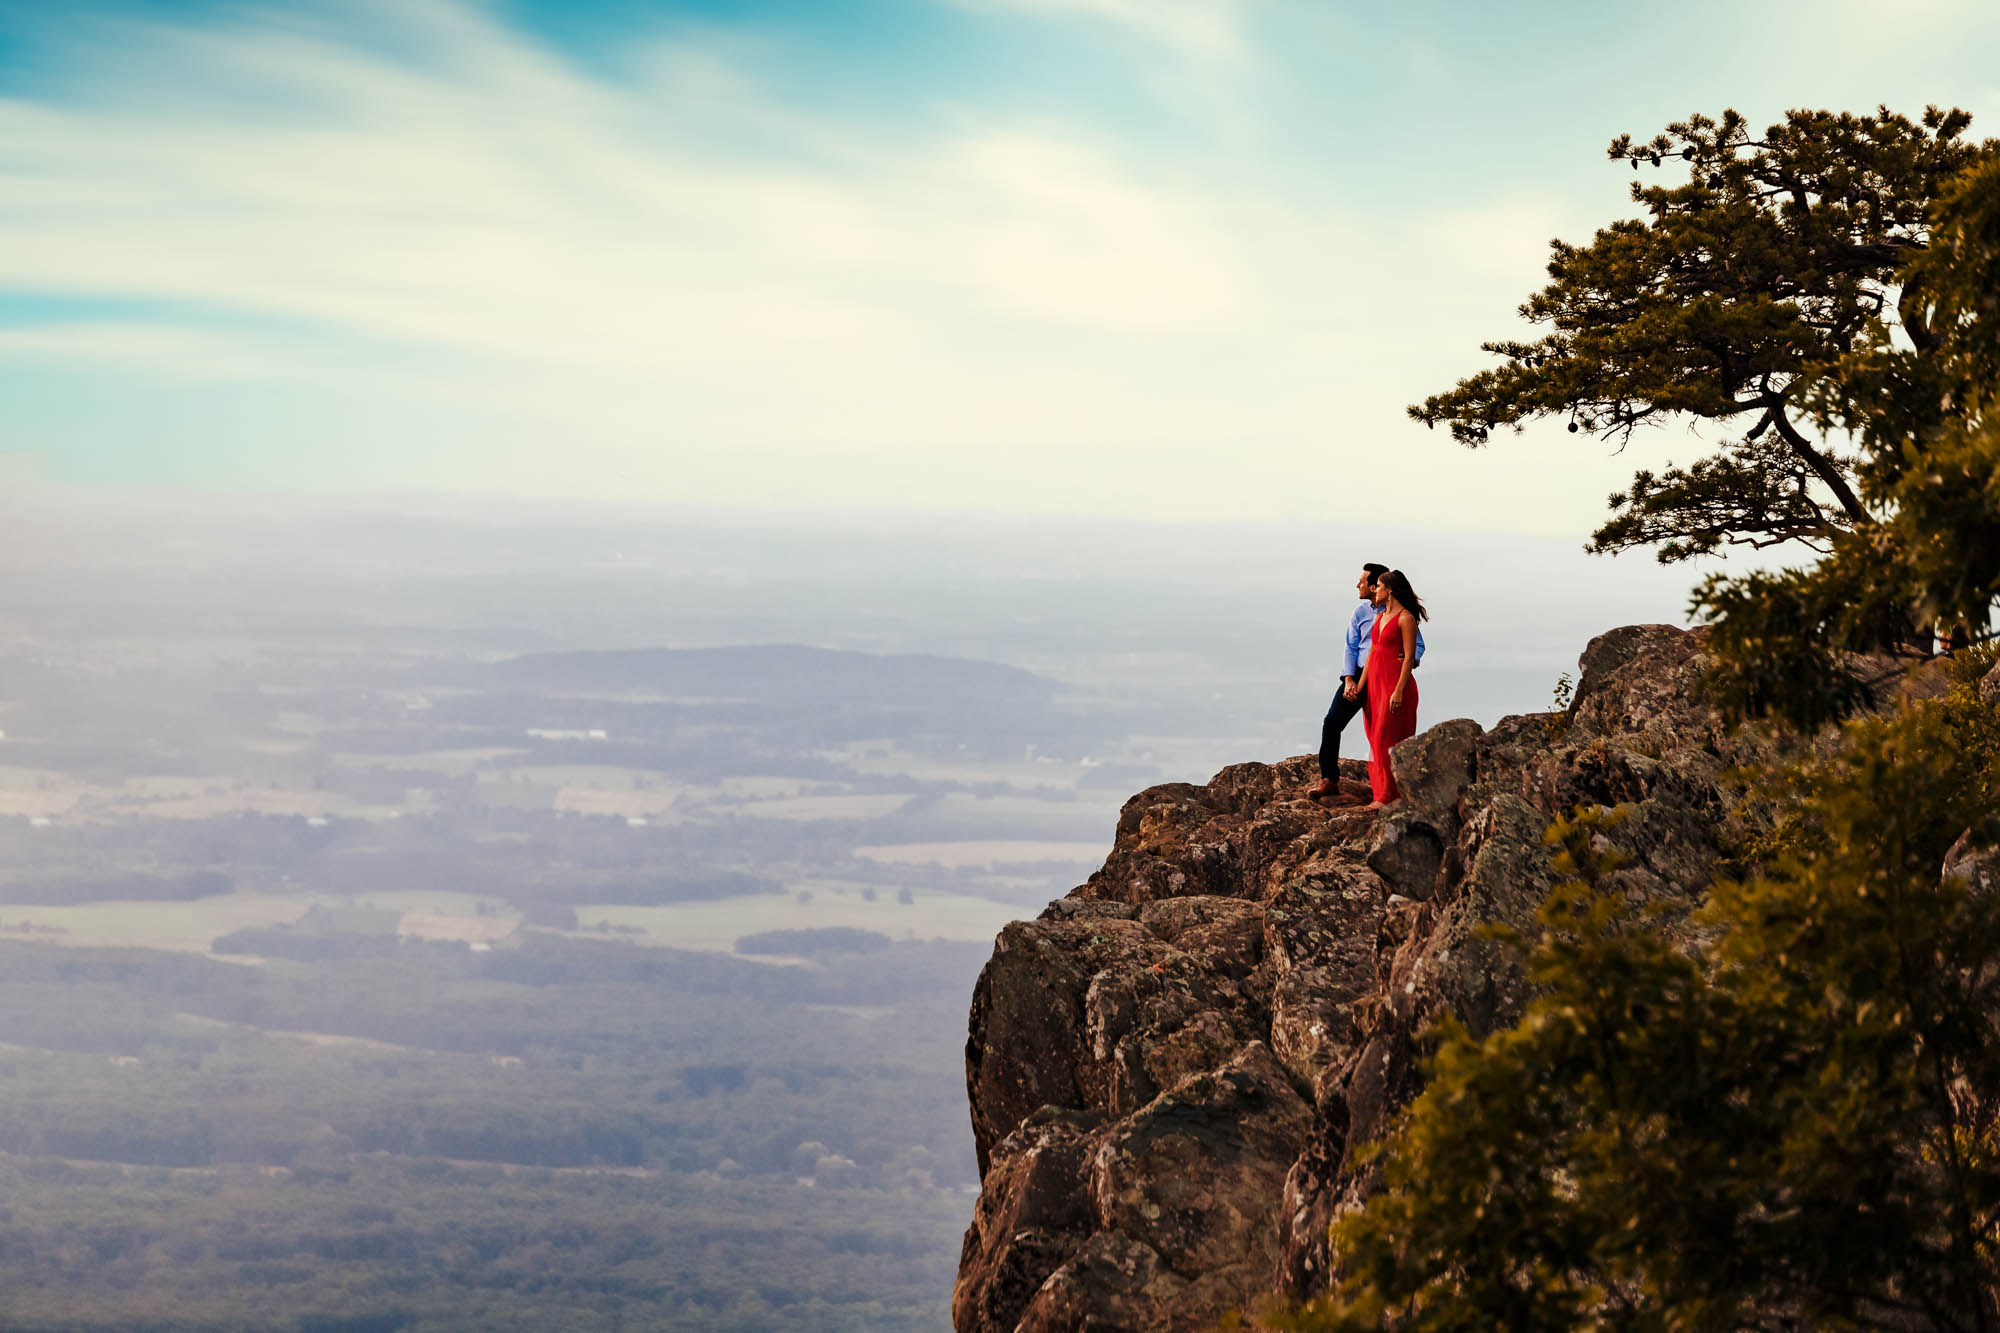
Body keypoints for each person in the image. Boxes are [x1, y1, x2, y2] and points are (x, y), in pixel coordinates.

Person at [1308, 564, 1424, 803]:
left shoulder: (1402, 616)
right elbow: (1352, 647)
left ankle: (1391, 791)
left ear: (1377, 587)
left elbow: (1417, 647)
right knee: (1332, 723)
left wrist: (1407, 660)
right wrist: (1350, 680)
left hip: (1386, 678)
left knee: (1384, 735)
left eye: (1362, 582)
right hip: (1361, 675)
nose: (1357, 586)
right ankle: (1329, 780)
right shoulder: (1362, 613)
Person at [1361, 569, 1428, 807]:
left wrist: (1398, 690)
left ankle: (1387, 797)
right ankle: (1383, 793)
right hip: (1376, 687)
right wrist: (1360, 685)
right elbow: (1371, 653)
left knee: (1385, 739)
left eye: (1378, 586)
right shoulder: (1380, 618)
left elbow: (1409, 657)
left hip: (1395, 685)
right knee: (1374, 736)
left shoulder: (1405, 618)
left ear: (1389, 591)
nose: (1375, 590)